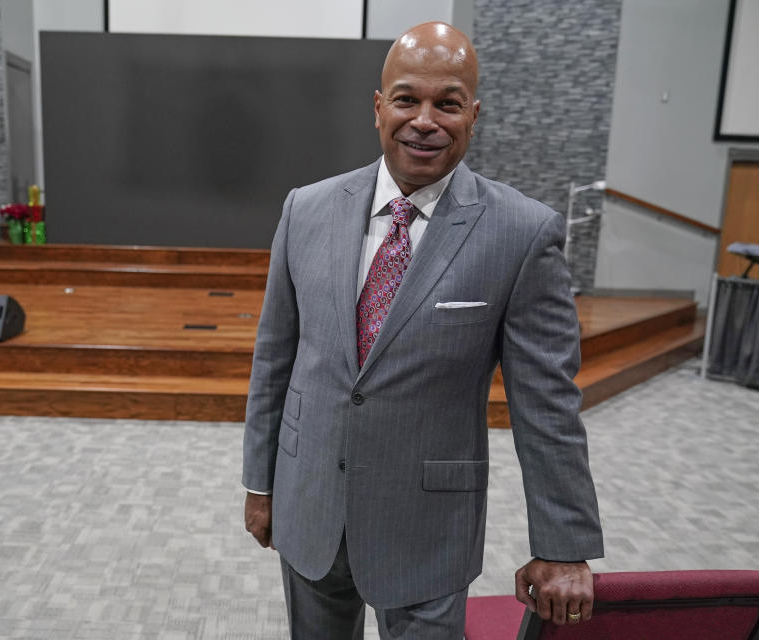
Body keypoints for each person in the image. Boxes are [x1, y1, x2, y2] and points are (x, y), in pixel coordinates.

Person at [242, 21, 603, 639]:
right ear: (379, 108)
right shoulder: (306, 209)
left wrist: (564, 544)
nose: (425, 120)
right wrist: (261, 482)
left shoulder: (522, 233)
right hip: (310, 504)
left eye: (448, 103)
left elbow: (547, 402)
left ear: (474, 114)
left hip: (428, 525)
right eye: (408, 99)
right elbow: (276, 358)